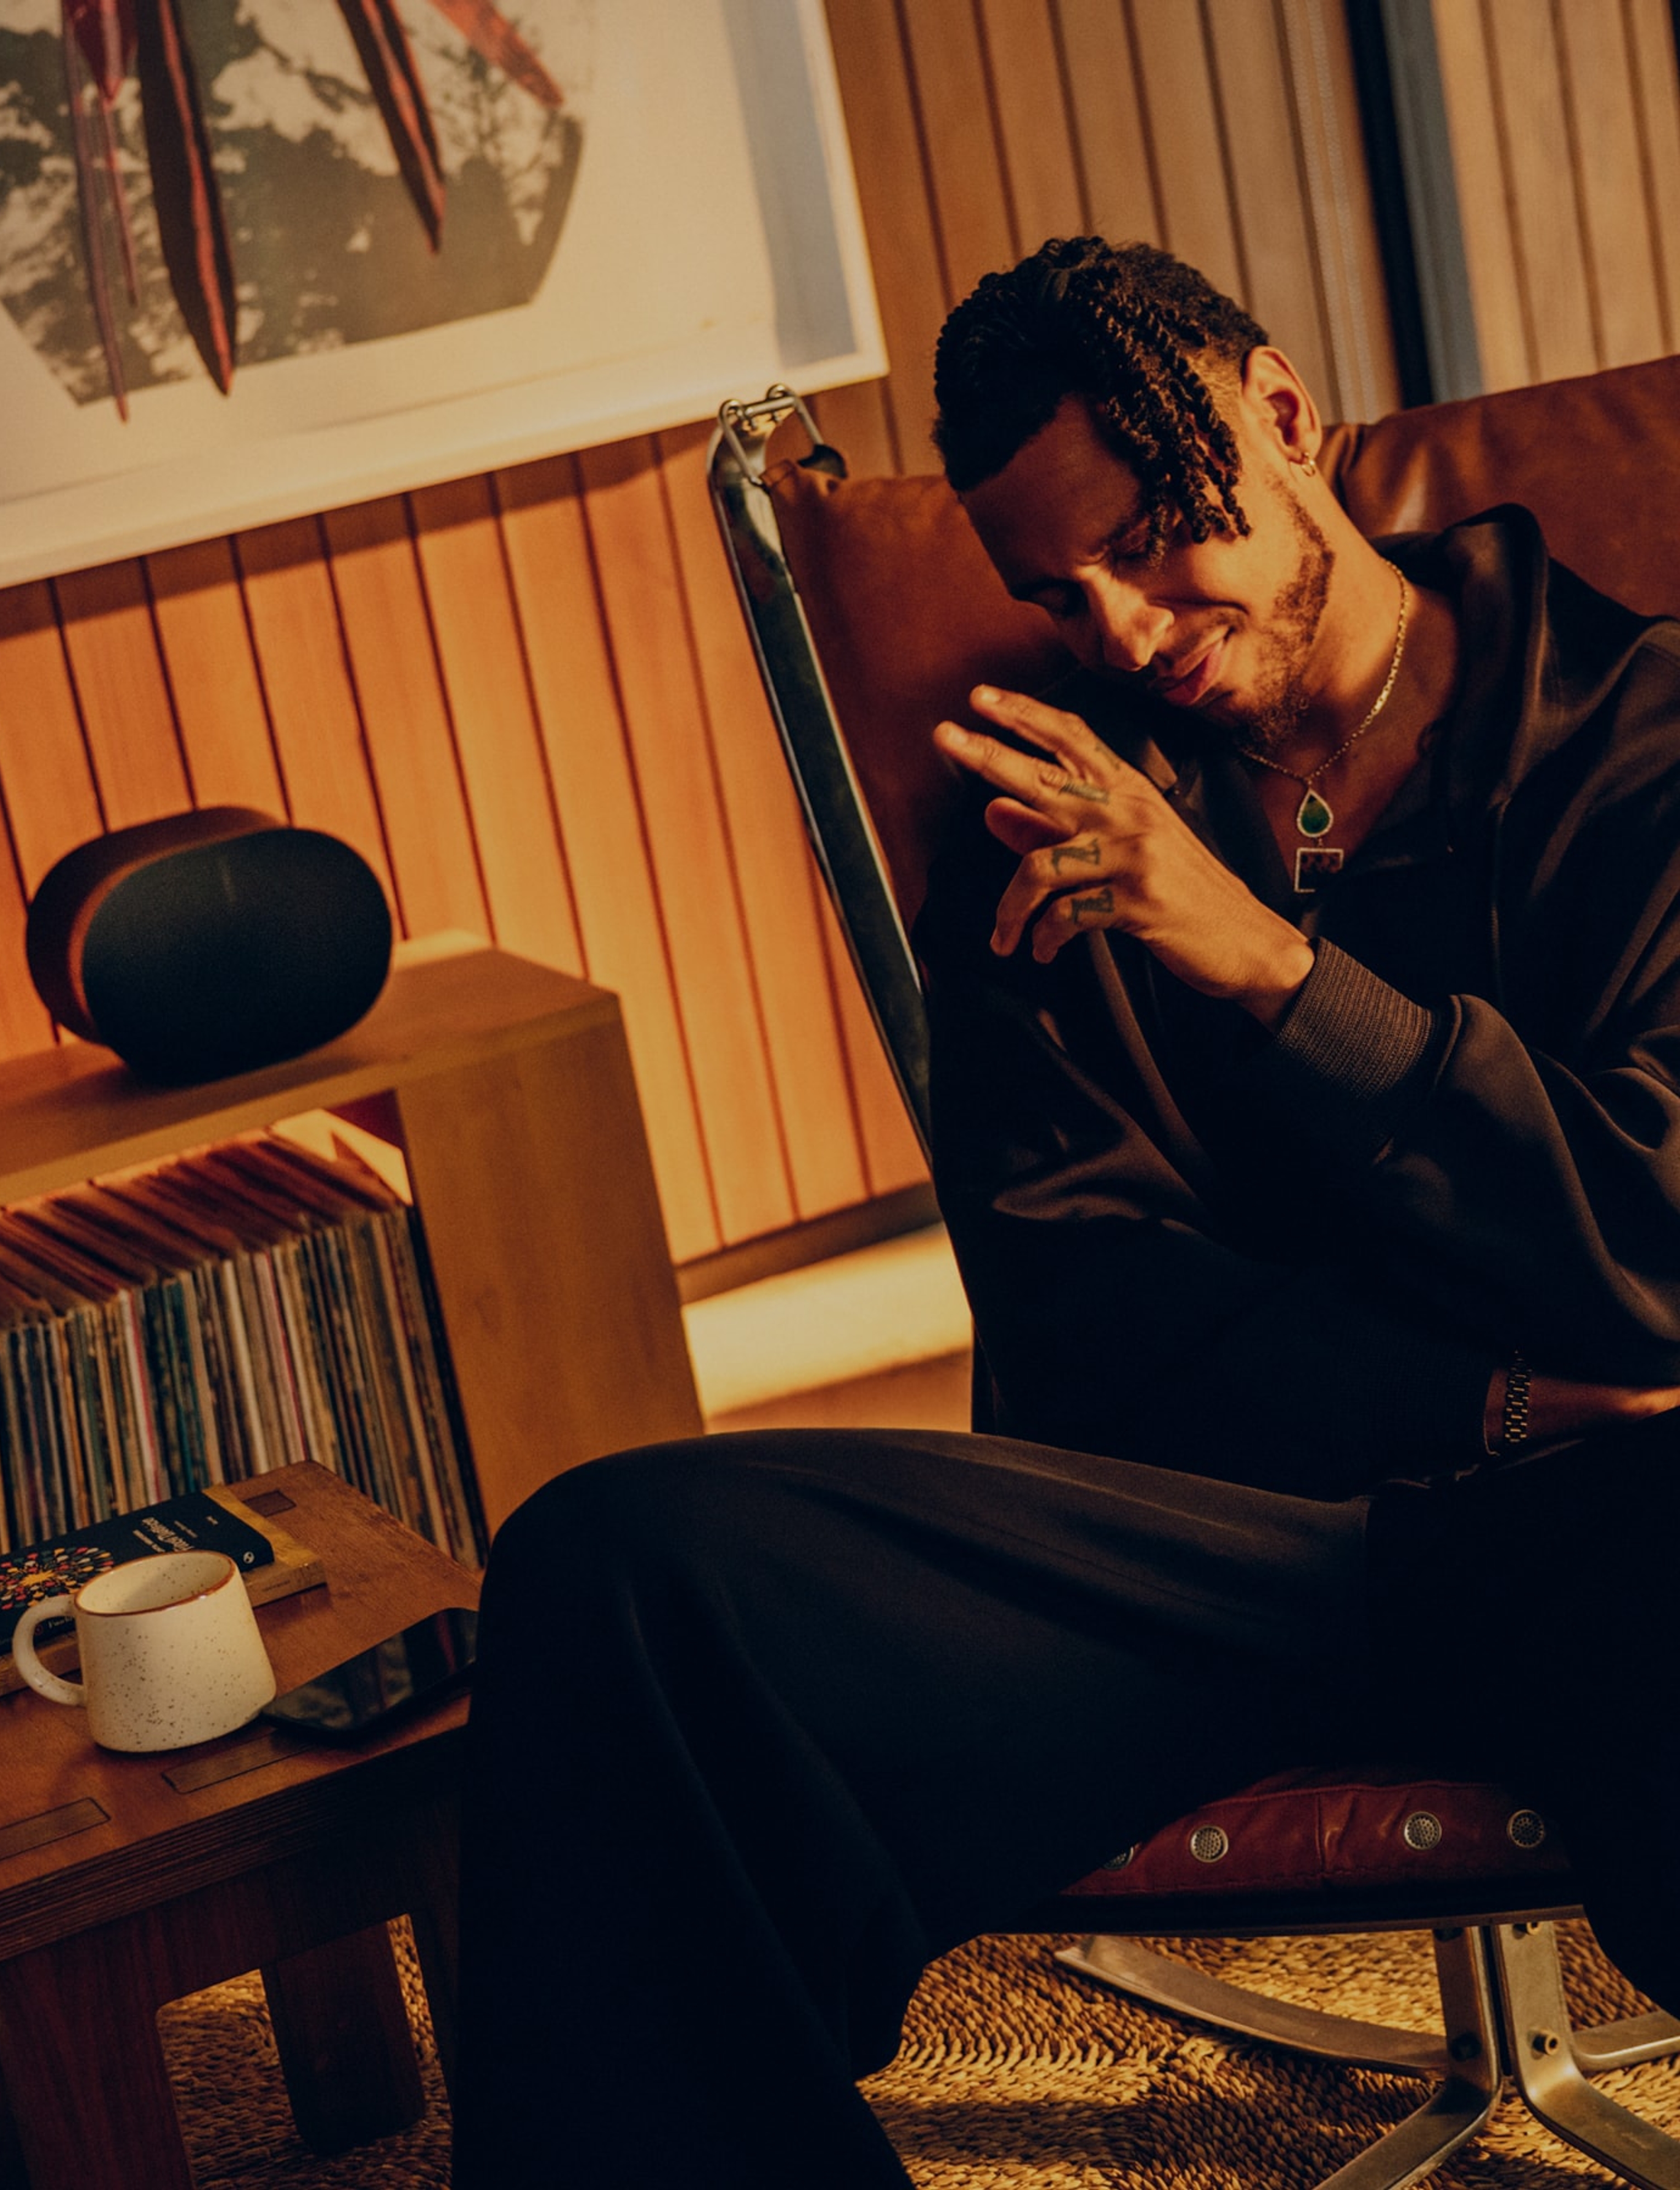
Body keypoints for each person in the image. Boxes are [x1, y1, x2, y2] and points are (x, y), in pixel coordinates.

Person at [450, 235, 1680, 2189]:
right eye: (1055, 591)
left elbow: (1664, 1244)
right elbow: (1086, 1339)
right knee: (620, 1566)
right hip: (1249, 1560)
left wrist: (1268, 972)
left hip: (1620, 1553)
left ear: (1284, 420)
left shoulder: (1642, 746)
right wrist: (1503, 1407)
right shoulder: (1055, 833)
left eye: (1155, 541)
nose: (1119, 631)